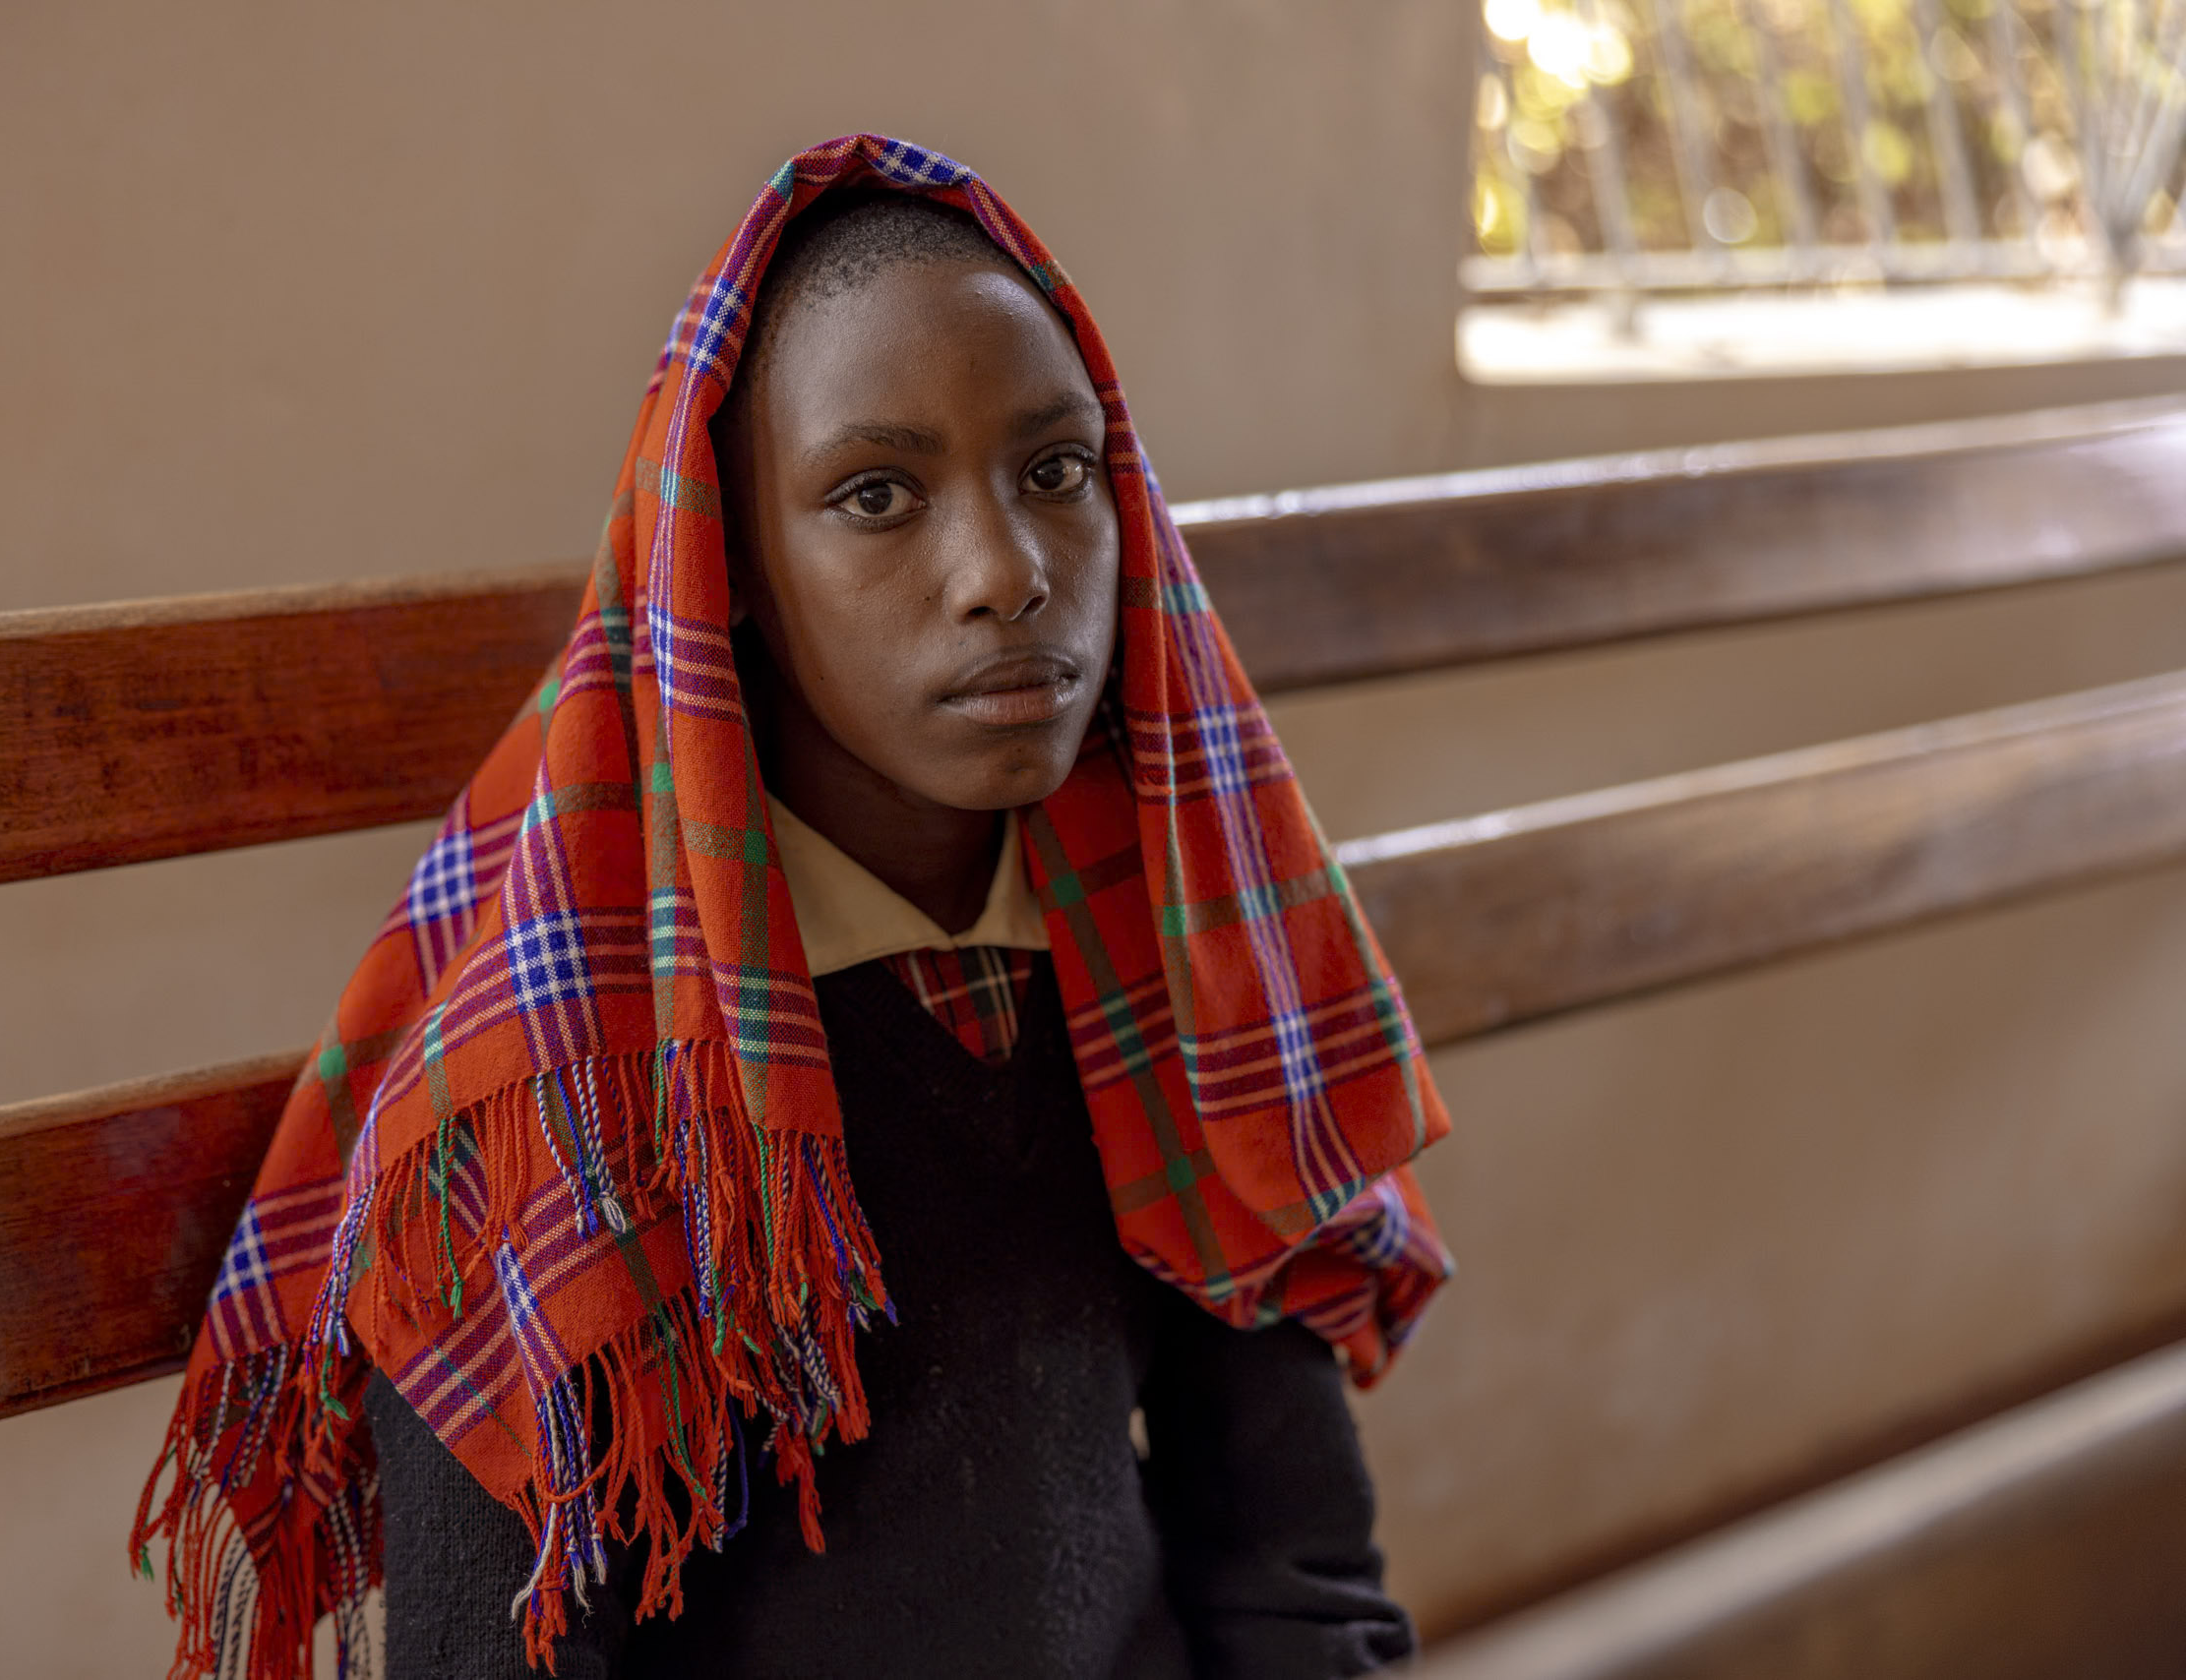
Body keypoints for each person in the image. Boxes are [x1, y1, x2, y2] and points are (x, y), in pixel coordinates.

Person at [136, 135, 1453, 1680]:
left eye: (1057, 469)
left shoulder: (1179, 968)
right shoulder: (558, 1097)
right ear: (730, 568)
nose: (1006, 570)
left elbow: (1294, 1577)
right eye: (877, 494)